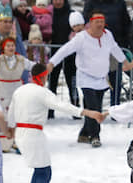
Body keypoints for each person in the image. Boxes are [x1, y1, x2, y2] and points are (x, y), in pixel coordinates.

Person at [6, 63, 106, 183]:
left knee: (40, 169)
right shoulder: (42, 93)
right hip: (33, 134)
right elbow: (63, 106)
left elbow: (11, 114)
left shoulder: (19, 90)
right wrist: (88, 113)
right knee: (44, 171)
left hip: (20, 132)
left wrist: (11, 130)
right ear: (43, 76)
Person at [47, 11, 126, 147]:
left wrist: (125, 62)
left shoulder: (108, 35)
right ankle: (95, 135)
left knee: (94, 107)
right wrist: (52, 63)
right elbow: (65, 50)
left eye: (102, 22)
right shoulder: (81, 38)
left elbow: (115, 49)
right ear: (91, 23)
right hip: (86, 78)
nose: (100, 25)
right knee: (93, 106)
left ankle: (84, 134)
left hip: (101, 78)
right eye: (97, 22)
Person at [47, 0, 76, 116]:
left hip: (69, 55)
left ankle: (75, 110)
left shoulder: (71, 14)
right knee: (52, 83)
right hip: (53, 54)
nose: (58, 2)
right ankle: (50, 111)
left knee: (72, 83)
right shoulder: (48, 14)